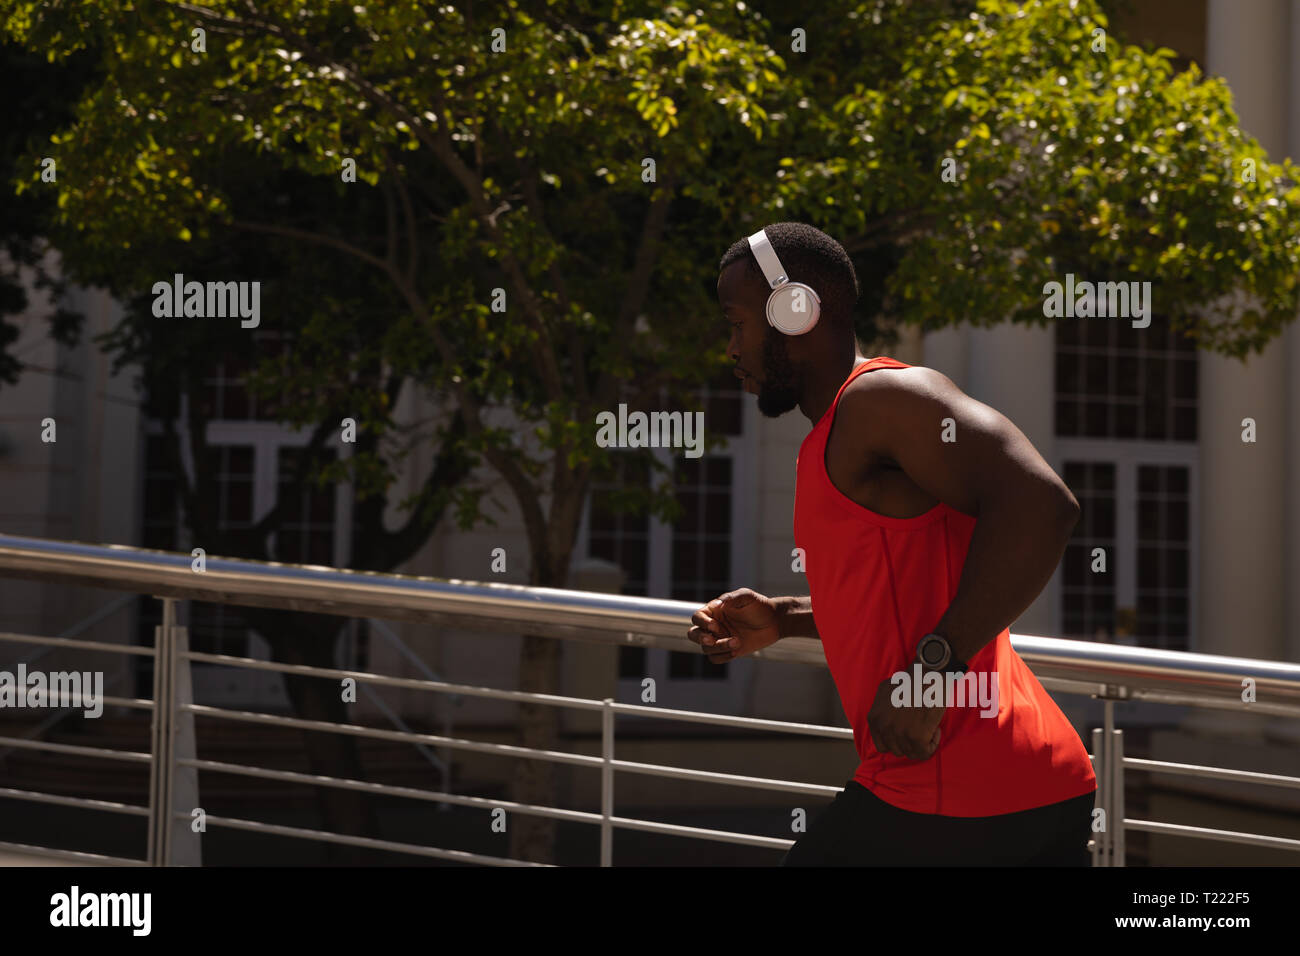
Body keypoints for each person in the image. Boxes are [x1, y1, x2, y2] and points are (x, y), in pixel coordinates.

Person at [688, 222, 1098, 865]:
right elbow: (898, 596)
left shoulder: (882, 399)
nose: (731, 347)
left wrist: (930, 678)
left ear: (795, 312)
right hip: (1017, 785)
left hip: (959, 788)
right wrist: (786, 619)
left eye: (737, 322)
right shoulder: (833, 436)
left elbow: (1043, 505)